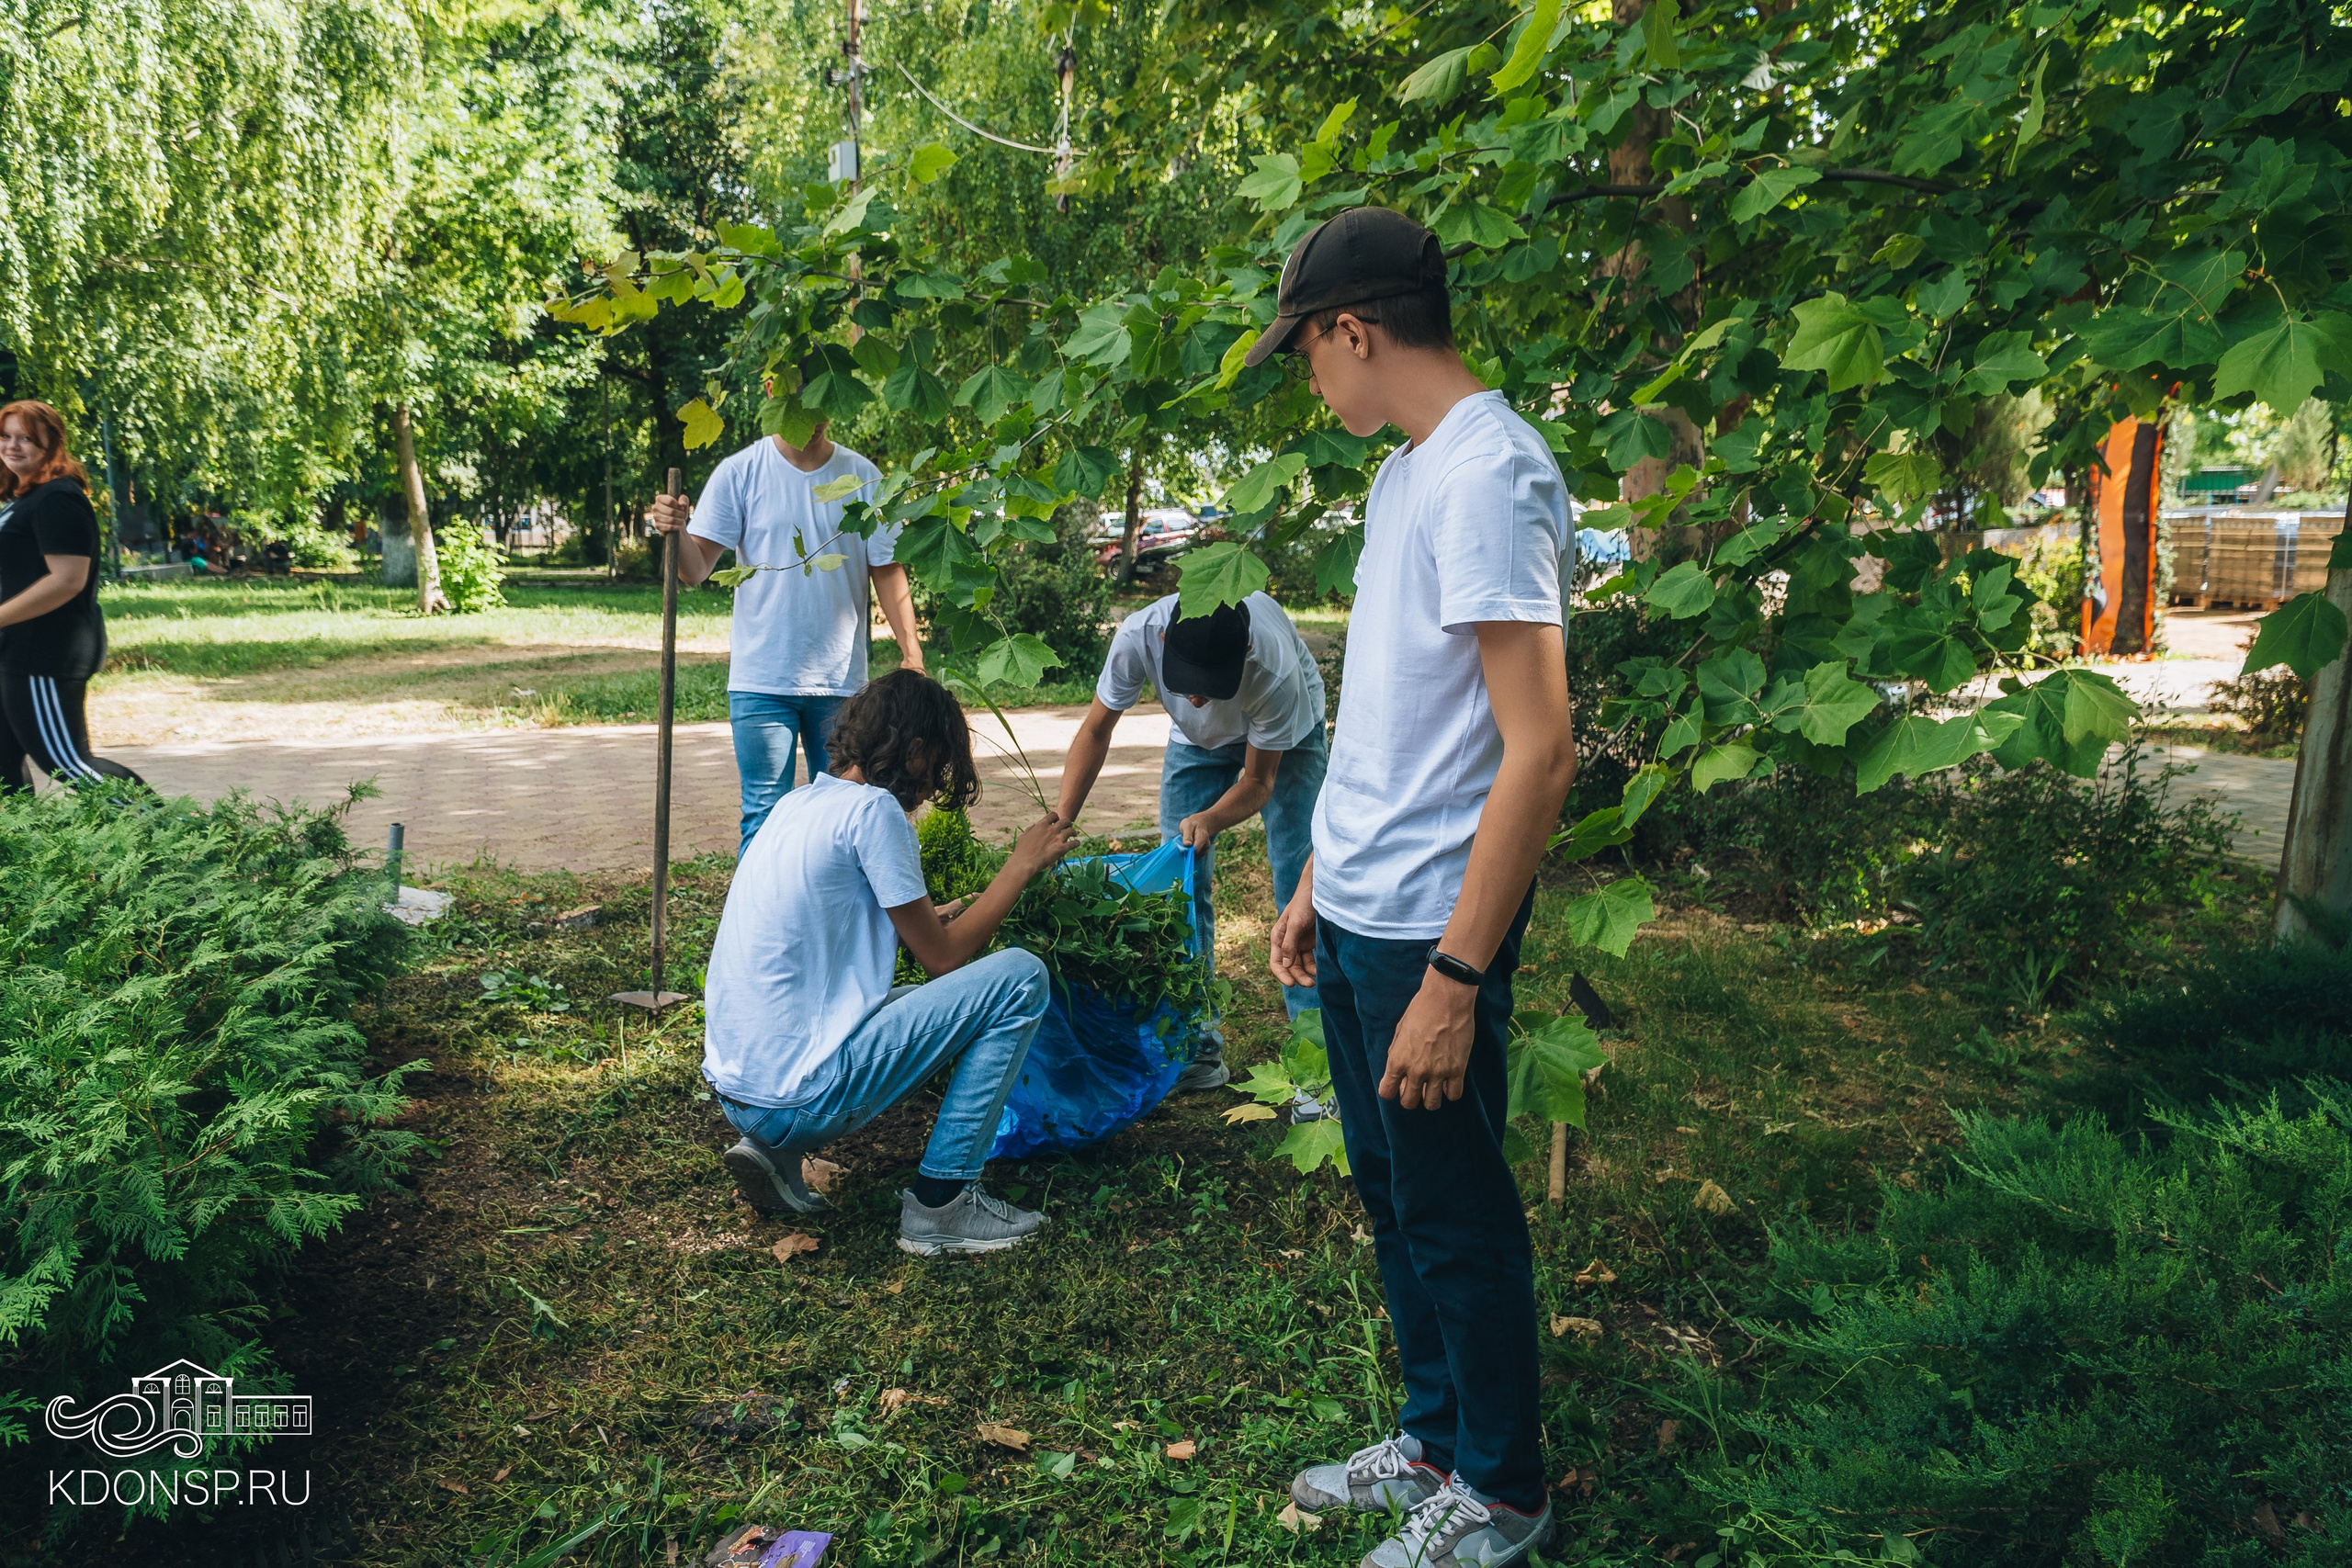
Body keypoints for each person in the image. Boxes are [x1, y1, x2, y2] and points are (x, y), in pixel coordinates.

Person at [1257, 208, 1577, 1567]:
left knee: (1454, 1213)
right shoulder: (1406, 475)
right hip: (1363, 909)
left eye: (1305, 351)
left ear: (1353, 328)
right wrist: (1322, 867)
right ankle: (1436, 1437)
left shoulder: (1490, 475)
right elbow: (1395, 709)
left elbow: (1540, 742)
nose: (1306, 377)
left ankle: (1504, 1490)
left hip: (1432, 935)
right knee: (1393, 1198)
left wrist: (1456, 976)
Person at [701, 667, 1079, 1258]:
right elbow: (944, 960)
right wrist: (1021, 866)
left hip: (742, 1092)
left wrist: (931, 918)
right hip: (801, 1098)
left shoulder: (796, 804)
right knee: (1020, 977)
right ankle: (943, 1203)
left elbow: (832, 929)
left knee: (938, 994)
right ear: (916, 750)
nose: (931, 789)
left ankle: (771, 1152)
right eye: (937, 768)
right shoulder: (874, 812)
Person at [1054, 592, 1327, 1099]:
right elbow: (1095, 729)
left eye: (1210, 687)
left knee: (1302, 890)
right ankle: (1195, 1045)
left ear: (1243, 650)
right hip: (1192, 746)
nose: (1197, 700)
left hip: (1288, 738)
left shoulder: (1273, 669)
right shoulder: (1139, 635)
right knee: (1174, 890)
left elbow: (1259, 782)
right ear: (1165, 641)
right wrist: (1060, 822)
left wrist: (1210, 817)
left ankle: (1318, 1066)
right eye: (1187, 685)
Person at [648, 399, 926, 852]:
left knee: (845, 814)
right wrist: (675, 531)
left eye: (822, 404)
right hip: (762, 680)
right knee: (764, 814)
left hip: (840, 683)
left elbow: (887, 568)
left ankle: (832, 921)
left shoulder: (862, 477)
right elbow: (694, 570)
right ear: (773, 392)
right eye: (801, 405)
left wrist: (911, 653)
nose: (813, 420)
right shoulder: (741, 472)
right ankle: (755, 924)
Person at [0, 400, 145, 796]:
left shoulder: (56, 498)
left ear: (51, 443)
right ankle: (18, 851)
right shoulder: (23, 499)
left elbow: (67, 580)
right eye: (6, 436)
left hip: (44, 651)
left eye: (25, 438)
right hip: (15, 649)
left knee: (66, 762)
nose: (12, 446)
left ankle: (180, 835)